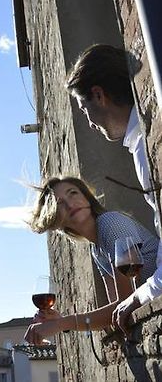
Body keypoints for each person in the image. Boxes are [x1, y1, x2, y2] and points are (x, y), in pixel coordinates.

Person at [64, 44, 161, 333]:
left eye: (84, 110)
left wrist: (140, 296)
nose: (90, 122)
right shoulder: (142, 143)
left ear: (98, 95)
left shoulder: (149, 147)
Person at [24, 176, 158, 345]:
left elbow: (127, 300)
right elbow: (117, 311)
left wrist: (63, 323)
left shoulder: (110, 223)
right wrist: (61, 322)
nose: (70, 203)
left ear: (87, 197)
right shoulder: (97, 251)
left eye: (73, 193)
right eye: (59, 203)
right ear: (56, 220)